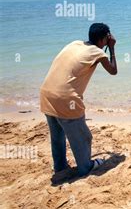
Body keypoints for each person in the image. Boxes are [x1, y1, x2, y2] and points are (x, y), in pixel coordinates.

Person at [40, 23, 118, 177]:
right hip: (66, 99)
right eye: (107, 38)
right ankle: (86, 167)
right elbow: (113, 70)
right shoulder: (97, 52)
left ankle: (60, 167)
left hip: (46, 94)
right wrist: (112, 48)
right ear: (104, 39)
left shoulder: (74, 44)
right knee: (83, 137)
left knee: (57, 137)